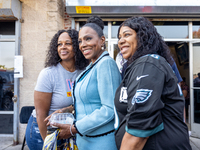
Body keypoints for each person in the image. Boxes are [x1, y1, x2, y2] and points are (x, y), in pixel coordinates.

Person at [114, 16, 191, 150]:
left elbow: (139, 127)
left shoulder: (147, 64)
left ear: (143, 37)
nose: (121, 41)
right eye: (119, 37)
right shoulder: (140, 65)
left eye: (127, 35)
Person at [51, 15, 121, 150]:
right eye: (80, 41)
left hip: (101, 142)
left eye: (88, 39)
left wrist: (74, 129)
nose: (83, 45)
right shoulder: (91, 66)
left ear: (102, 40)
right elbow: (89, 102)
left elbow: (110, 109)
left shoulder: (106, 64)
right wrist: (66, 110)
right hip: (85, 141)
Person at [25, 29, 89, 150]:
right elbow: (40, 114)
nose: (62, 47)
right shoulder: (48, 74)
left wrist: (69, 108)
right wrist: (48, 143)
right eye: (59, 44)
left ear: (77, 46)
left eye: (68, 43)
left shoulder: (83, 72)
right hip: (42, 129)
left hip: (67, 130)